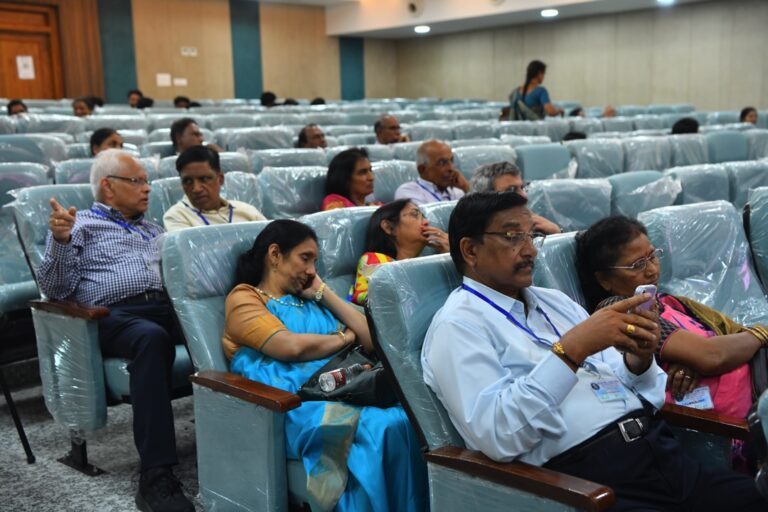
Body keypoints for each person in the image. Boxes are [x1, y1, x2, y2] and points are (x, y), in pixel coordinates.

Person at [422, 191, 766, 511]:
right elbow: (499, 436)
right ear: (470, 250)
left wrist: (639, 359)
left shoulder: (554, 302)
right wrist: (572, 349)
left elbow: (633, 386)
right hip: (586, 482)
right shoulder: (457, 326)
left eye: (531, 235)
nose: (530, 251)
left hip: (660, 451)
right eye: (513, 236)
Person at [222, 219, 427, 511]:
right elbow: (288, 346)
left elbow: (371, 339)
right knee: (381, 428)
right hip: (293, 401)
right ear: (275, 254)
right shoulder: (246, 297)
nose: (311, 270)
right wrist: (345, 337)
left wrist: (323, 292)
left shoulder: (310, 298)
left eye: (315, 262)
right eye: (305, 258)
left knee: (407, 417)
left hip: (344, 386)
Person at [37, 149, 195, 512]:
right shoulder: (77, 226)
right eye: (138, 181)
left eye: (147, 181)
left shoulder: (153, 229)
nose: (148, 188)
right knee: (150, 338)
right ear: (108, 187)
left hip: (166, 306)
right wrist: (60, 242)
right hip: (113, 315)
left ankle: (254, 431)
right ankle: (155, 476)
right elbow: (55, 290)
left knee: (226, 322)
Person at [575, 216, 768, 423]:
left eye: (652, 256)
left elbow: (730, 337)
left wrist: (693, 360)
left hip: (756, 391)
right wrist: (760, 333)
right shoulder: (619, 312)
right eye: (637, 265)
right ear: (604, 279)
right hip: (730, 422)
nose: (652, 270)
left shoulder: (669, 302)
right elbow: (713, 355)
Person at [349, 199, 448, 306]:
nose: (426, 222)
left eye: (423, 216)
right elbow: (362, 296)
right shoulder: (374, 260)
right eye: (415, 215)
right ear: (389, 227)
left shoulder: (430, 263)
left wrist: (450, 256)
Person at [163, 146, 265, 231]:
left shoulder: (247, 211)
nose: (196, 189)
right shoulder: (176, 217)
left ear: (220, 179)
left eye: (204, 179)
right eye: (188, 181)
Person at [469, 161, 561, 235]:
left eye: (522, 188)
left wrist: (557, 234)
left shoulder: (536, 227)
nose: (523, 196)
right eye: (511, 190)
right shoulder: (478, 236)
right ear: (486, 197)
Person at [394, 140, 469, 205]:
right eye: (442, 163)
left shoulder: (457, 191)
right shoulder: (408, 192)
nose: (451, 168)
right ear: (422, 169)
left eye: (451, 161)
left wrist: (466, 189)